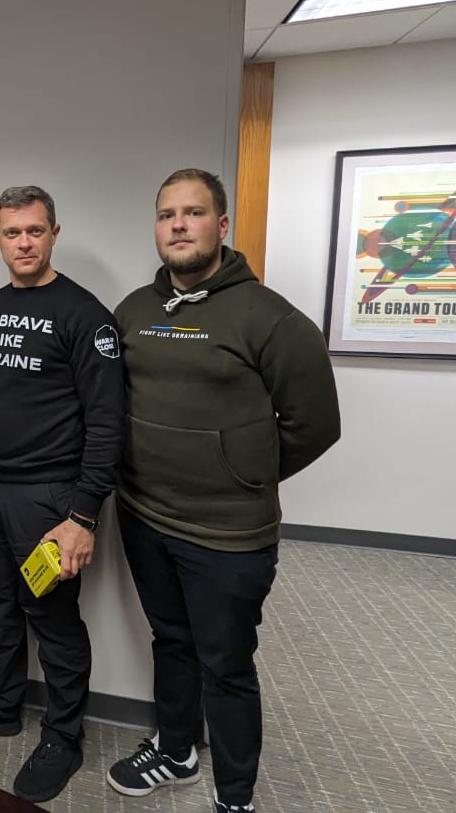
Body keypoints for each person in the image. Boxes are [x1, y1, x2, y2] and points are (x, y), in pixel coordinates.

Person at [106, 169, 340, 813]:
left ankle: (235, 798)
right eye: (167, 215)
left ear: (222, 224)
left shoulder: (270, 318)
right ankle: (176, 750)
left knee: (226, 664)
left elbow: (316, 426)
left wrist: (239, 473)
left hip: (228, 532)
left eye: (193, 213)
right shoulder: (135, 310)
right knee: (171, 640)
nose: (179, 225)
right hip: (143, 515)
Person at [0, 185, 124, 803]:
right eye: (12, 232)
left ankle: (63, 738)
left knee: (53, 619)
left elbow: (107, 424)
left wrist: (83, 515)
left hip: (48, 498)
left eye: (35, 231)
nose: (24, 243)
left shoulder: (86, 315)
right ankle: (0, 704)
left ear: (54, 234)